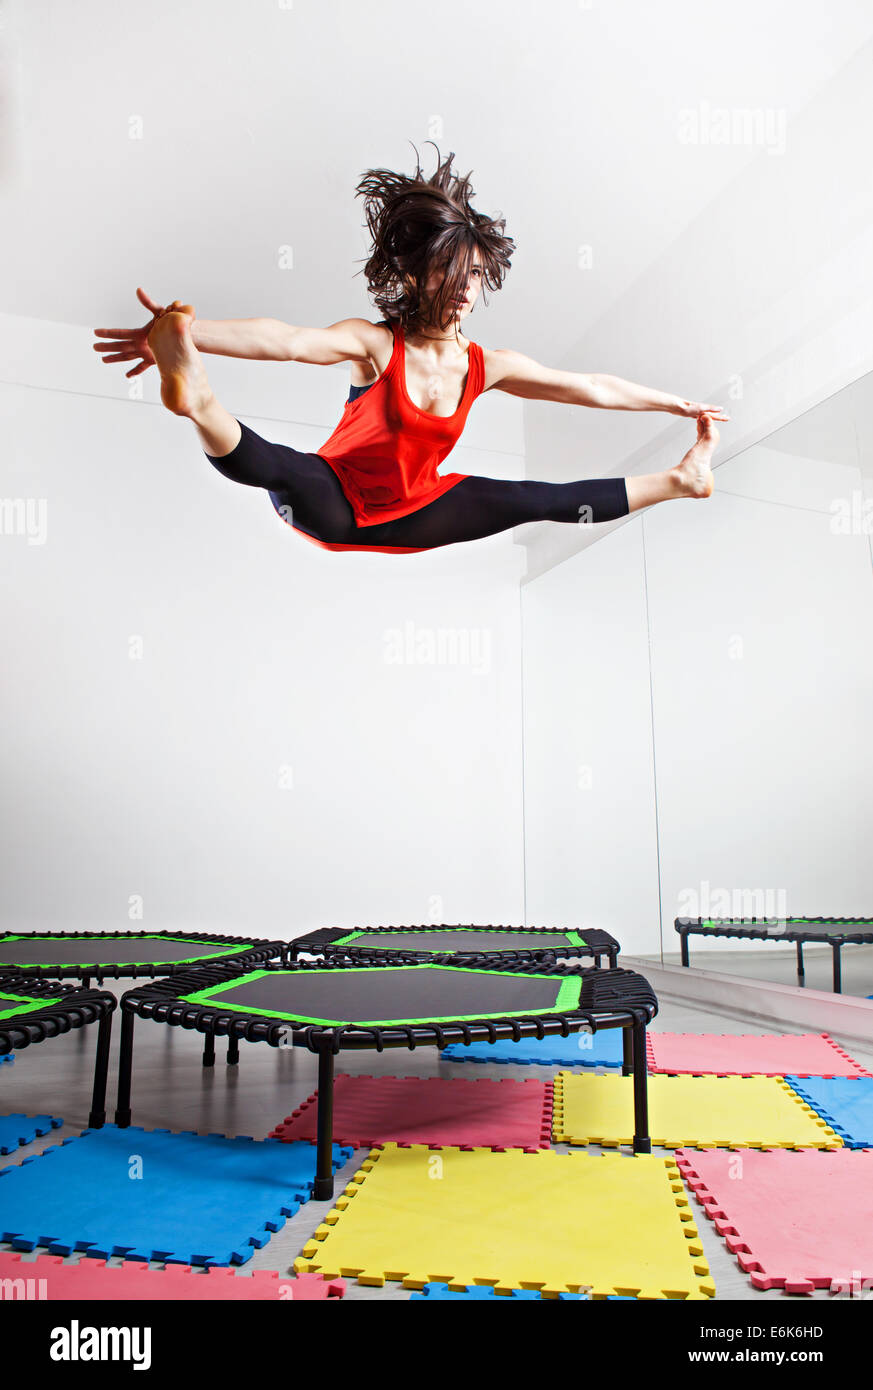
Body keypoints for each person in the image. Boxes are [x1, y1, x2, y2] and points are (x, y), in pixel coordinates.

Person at [93, 143, 727, 555]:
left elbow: (589, 386)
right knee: (284, 470)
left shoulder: (489, 367)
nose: (462, 291)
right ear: (419, 276)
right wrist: (185, 333)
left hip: (418, 509)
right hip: (332, 500)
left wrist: (673, 405)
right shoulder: (374, 347)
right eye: (448, 274)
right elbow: (285, 340)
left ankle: (679, 479)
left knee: (535, 499)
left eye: (475, 276)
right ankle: (201, 399)